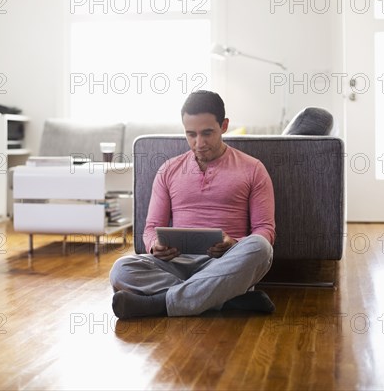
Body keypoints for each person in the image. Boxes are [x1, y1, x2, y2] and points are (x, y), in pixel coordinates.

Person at [109, 90, 276, 319]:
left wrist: (234, 242)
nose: (199, 143)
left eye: (207, 133)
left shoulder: (253, 169)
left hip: (226, 264)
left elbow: (265, 230)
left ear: (224, 125)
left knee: (261, 248)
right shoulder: (168, 169)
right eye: (191, 134)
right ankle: (224, 300)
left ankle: (160, 304)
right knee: (121, 269)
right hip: (176, 263)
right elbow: (150, 228)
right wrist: (154, 245)